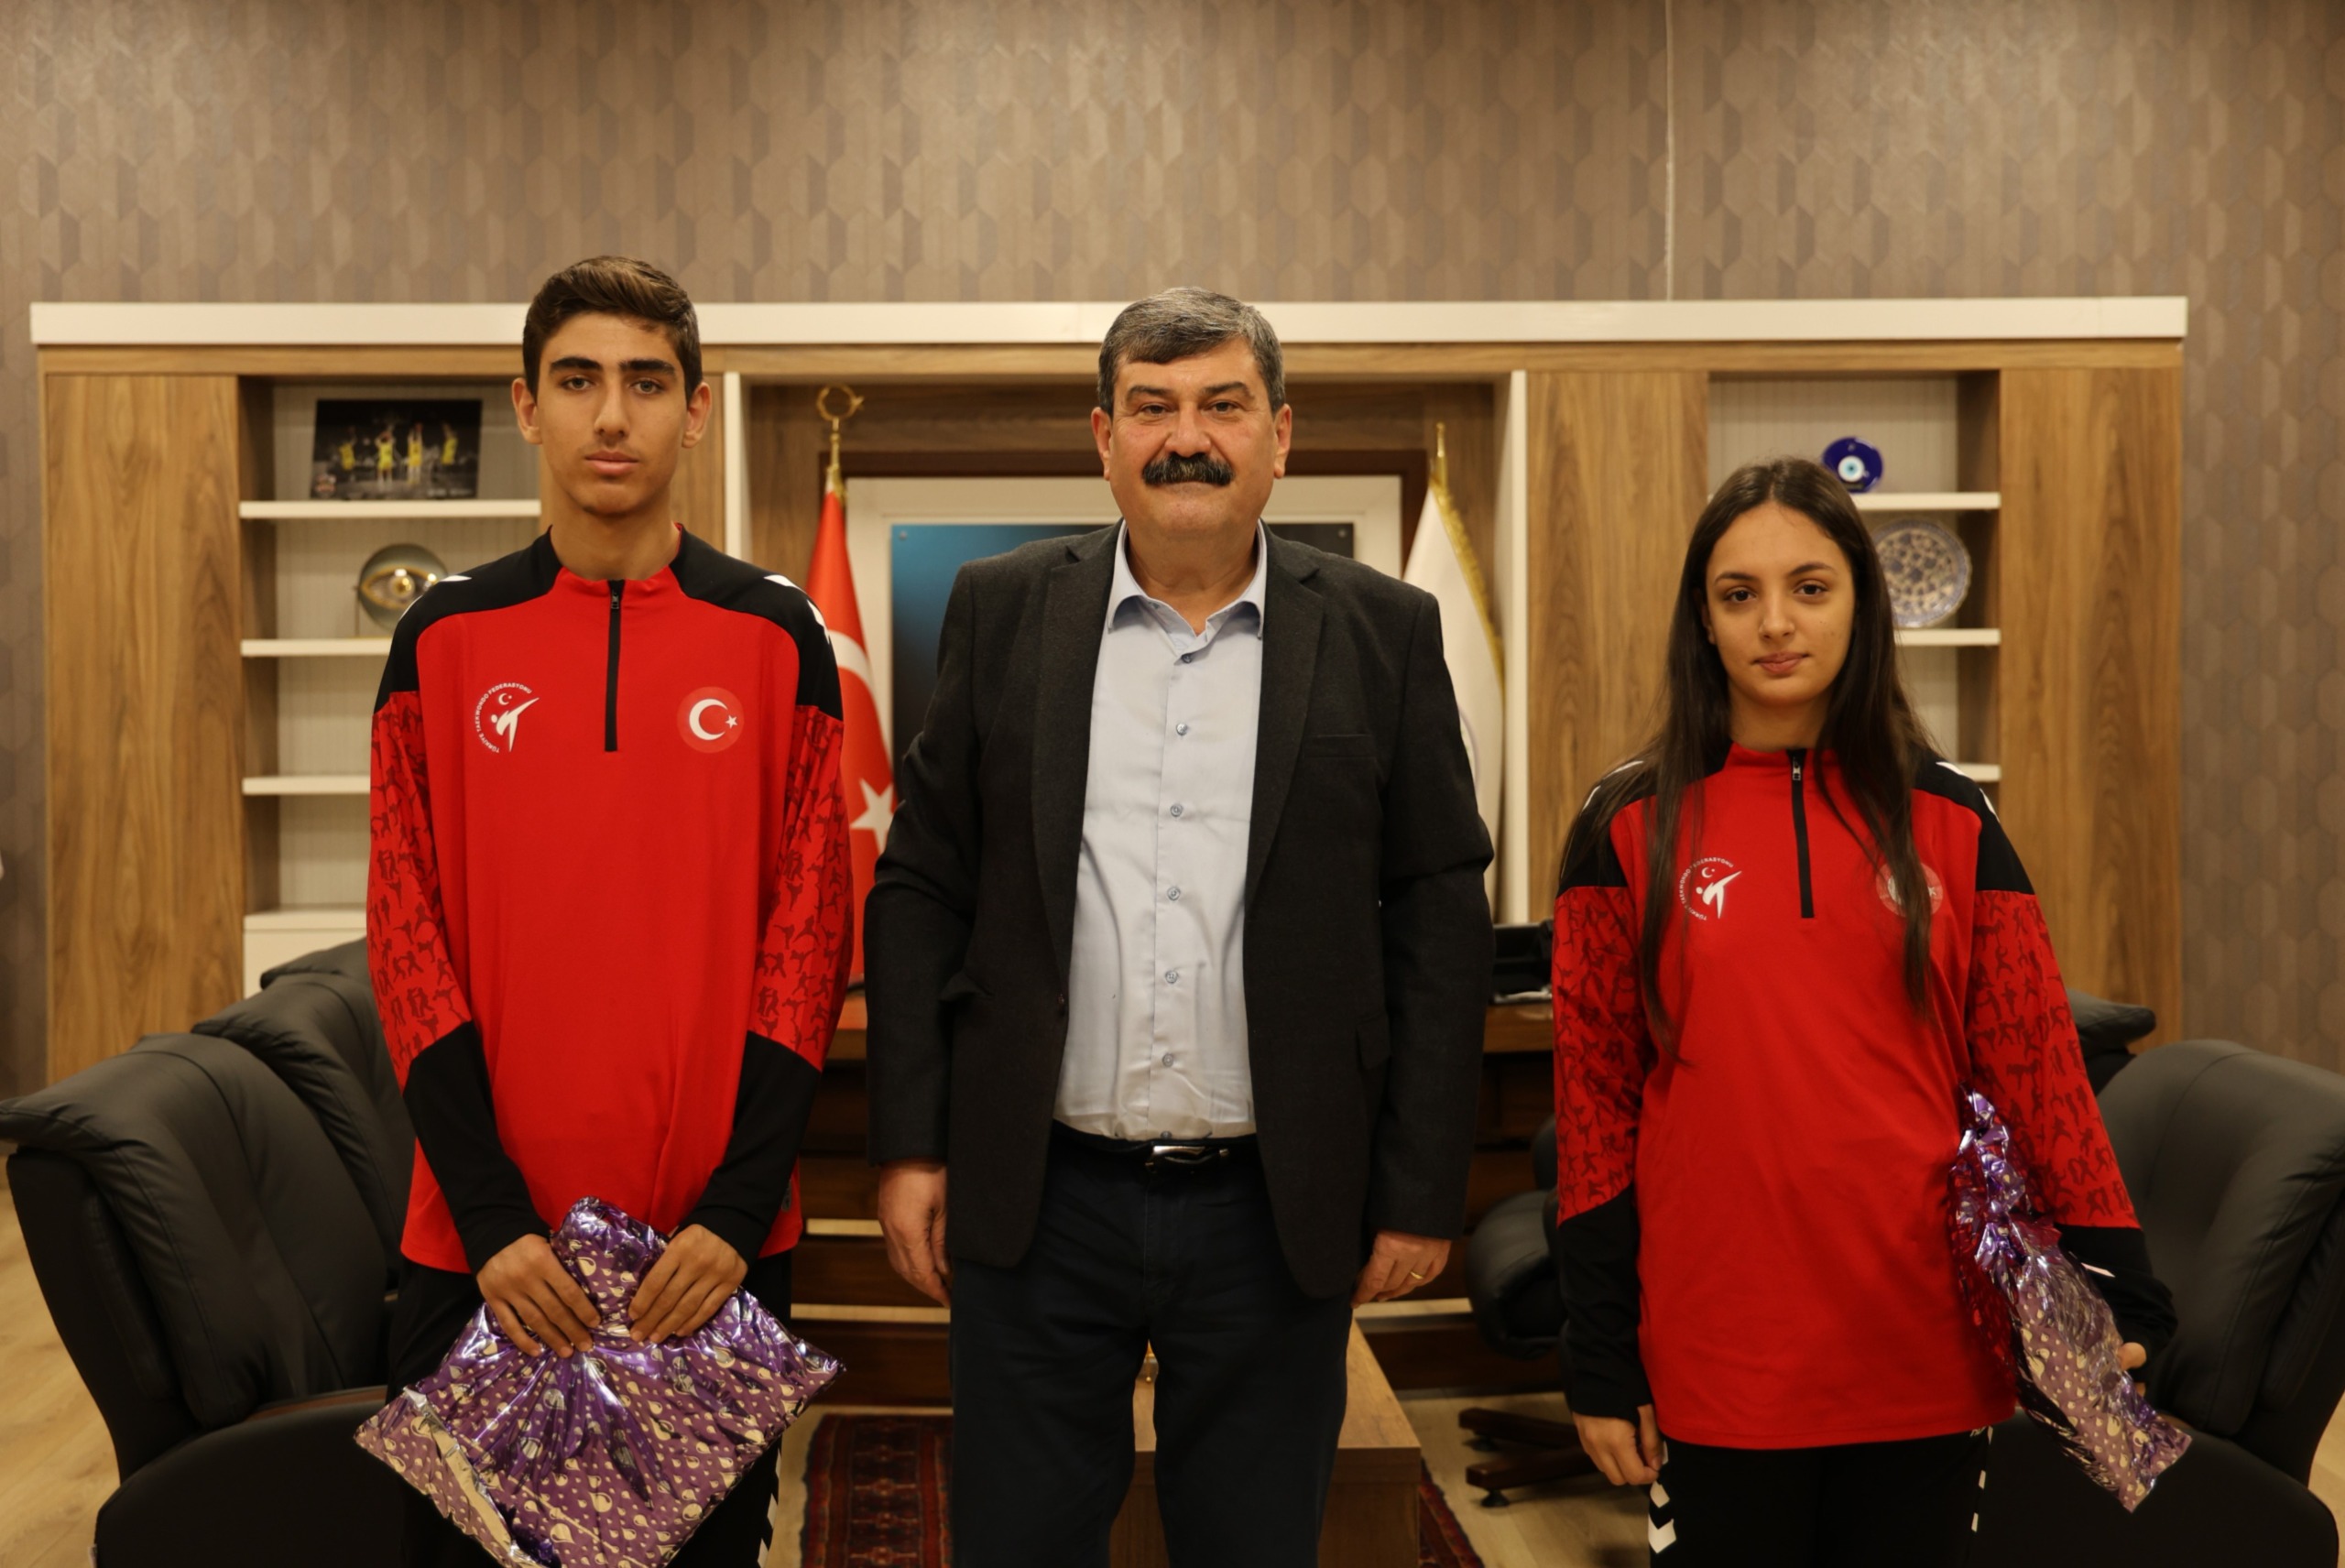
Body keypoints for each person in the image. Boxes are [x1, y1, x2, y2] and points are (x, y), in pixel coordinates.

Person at [863, 287, 1494, 1567]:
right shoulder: (1000, 608)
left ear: (1280, 435)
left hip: (1274, 1203)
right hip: (1040, 1196)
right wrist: (911, 1141)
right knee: (1018, 1545)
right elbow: (923, 884)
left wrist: (1421, 1186)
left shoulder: (1382, 629)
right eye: (1151, 408)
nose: (1186, 438)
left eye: (1222, 405)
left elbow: (1439, 913)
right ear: (1104, 437)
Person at [1549, 456, 2176, 1566]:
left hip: (1921, 1340)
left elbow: (2037, 1068)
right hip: (1717, 1349)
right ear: (1701, 619)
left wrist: (2117, 1284)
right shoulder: (1626, 821)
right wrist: (1598, 1352)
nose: (1773, 622)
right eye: (1737, 593)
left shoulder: (1954, 816)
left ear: (1860, 604)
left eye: (1809, 586)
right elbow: (1596, 1108)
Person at [368, 256, 852, 1567]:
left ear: (696, 410)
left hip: (703, 1255)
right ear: (527, 407)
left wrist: (735, 1213)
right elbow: (406, 940)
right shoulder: (441, 637)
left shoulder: (779, 637)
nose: (612, 414)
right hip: (484, 1249)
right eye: (577, 380)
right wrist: (492, 1219)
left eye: (646, 381)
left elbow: (809, 947)